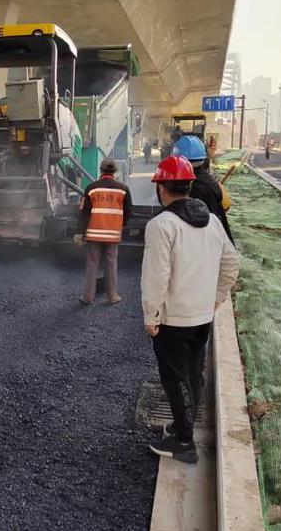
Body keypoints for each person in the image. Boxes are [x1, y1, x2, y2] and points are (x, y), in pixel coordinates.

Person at [142, 155, 239, 464]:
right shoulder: (212, 221)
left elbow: (157, 276)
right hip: (202, 316)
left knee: (175, 380)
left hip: (174, 318)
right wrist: (217, 297)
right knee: (193, 375)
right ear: (189, 186)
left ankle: (184, 442)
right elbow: (232, 264)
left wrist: (151, 315)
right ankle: (182, 426)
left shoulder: (161, 225)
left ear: (161, 188)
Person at [73, 159, 133, 305]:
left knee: (92, 264)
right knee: (111, 264)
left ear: (101, 170)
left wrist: (79, 232)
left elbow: (85, 212)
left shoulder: (92, 188)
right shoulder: (123, 189)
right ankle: (112, 297)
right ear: (115, 171)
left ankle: (88, 297)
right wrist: (120, 225)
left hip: (94, 234)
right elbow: (128, 211)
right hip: (113, 234)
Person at [173, 135, 235, 245]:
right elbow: (226, 205)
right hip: (220, 241)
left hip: (204, 244)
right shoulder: (211, 182)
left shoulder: (188, 187)